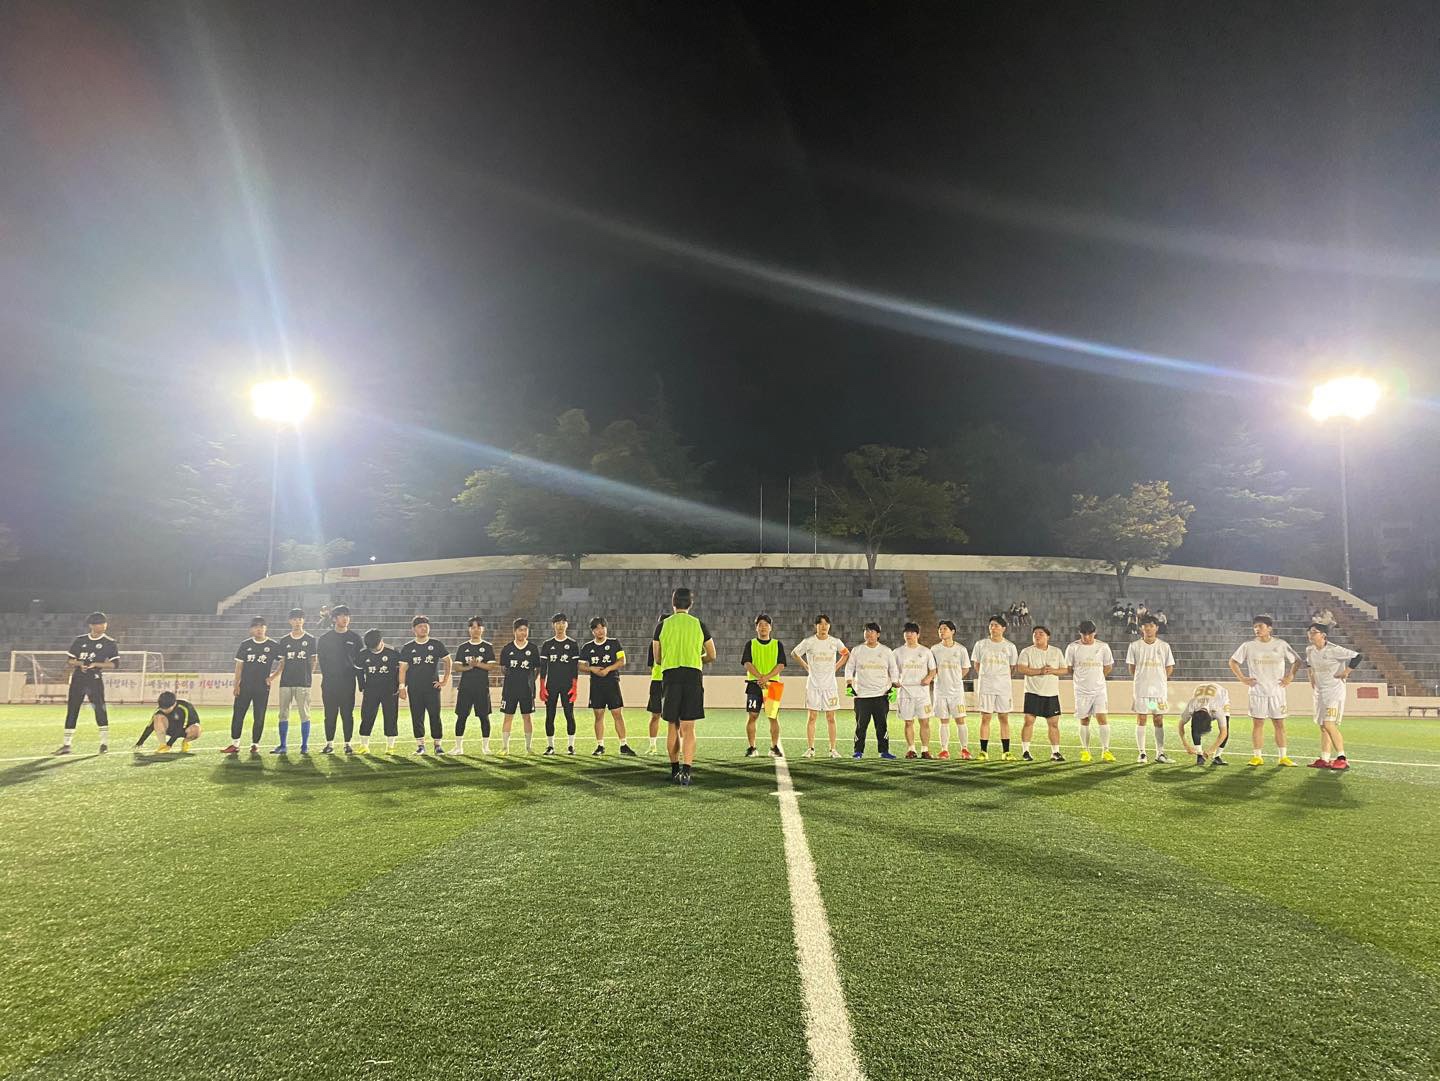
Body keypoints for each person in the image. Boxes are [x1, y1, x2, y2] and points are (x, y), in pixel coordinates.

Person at [653, 587, 716, 785]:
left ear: (673, 603)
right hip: (692, 675)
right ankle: (687, 772)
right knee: (689, 727)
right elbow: (712, 654)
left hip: (671, 675)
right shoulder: (699, 624)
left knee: (672, 725)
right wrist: (698, 658)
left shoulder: (662, 626)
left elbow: (657, 658)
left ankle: (674, 770)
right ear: (690, 603)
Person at [1228, 615, 1300, 768]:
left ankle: (1283, 757)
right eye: (1255, 627)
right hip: (1257, 691)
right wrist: (1242, 678)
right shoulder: (1248, 646)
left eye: (1260, 626)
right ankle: (1257, 757)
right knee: (1258, 723)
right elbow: (1233, 661)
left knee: (1279, 724)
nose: (1257, 629)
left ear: (1269, 628)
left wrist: (1290, 676)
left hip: (1277, 691)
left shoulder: (1281, 644)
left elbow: (1297, 660)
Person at [55, 611, 119, 755]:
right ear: (91, 625)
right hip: (78, 678)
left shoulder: (109, 642)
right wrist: (81, 664)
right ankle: (66, 744)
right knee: (73, 709)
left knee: (100, 709)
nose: (103, 626)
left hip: (94, 679)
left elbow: (114, 664)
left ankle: (104, 743)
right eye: (99, 623)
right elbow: (70, 660)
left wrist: (96, 664)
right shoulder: (80, 640)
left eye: (104, 623)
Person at [790, 615, 849, 758]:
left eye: (826, 624)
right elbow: (794, 653)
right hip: (813, 685)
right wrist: (806, 666)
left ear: (829, 626)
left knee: (831, 717)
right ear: (816, 626)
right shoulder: (809, 642)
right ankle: (810, 749)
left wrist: (835, 667)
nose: (823, 626)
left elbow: (846, 654)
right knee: (812, 717)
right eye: (821, 624)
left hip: (830, 686)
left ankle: (833, 749)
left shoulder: (835, 642)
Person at [223, 617, 282, 754]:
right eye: (256, 626)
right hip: (245, 686)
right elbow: (239, 666)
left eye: (262, 626)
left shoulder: (273, 645)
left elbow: (283, 662)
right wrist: (236, 684)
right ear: (251, 629)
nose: (259, 629)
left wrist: (272, 677)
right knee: (238, 714)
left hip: (262, 687)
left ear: (266, 628)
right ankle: (235, 744)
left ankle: (255, 744)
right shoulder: (245, 644)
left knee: (259, 715)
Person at [1306, 623, 1360, 770]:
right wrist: (1311, 679)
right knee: (1323, 726)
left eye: (1314, 632)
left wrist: (1346, 672)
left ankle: (1342, 758)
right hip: (1320, 692)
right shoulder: (1310, 650)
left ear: (1323, 635)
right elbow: (1309, 665)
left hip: (1334, 692)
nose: (1310, 634)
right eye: (1309, 632)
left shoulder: (1334, 650)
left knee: (1329, 724)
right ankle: (1324, 758)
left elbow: (1357, 656)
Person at [579, 617, 634, 756]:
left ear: (606, 629)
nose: (600, 631)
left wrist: (608, 669)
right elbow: (580, 665)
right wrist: (592, 669)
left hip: (612, 683)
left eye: (602, 627)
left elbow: (622, 661)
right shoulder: (587, 647)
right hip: (596, 685)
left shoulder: (614, 643)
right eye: (597, 628)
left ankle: (623, 745)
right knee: (598, 715)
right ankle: (600, 745)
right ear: (592, 631)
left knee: (617, 713)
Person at [844, 621, 899, 760]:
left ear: (878, 634)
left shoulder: (886, 651)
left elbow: (893, 669)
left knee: (882, 726)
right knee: (860, 726)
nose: (869, 634)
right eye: (866, 631)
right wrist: (849, 684)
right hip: (861, 696)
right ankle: (858, 751)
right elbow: (849, 668)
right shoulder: (857, 650)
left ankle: (884, 751)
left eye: (872, 631)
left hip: (881, 695)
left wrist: (893, 687)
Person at [398, 615, 451, 755]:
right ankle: (420, 745)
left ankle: (438, 745)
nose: (423, 628)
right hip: (414, 688)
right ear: (414, 629)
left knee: (435, 716)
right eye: (420, 626)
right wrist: (402, 687)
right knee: (417, 717)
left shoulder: (436, 644)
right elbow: (402, 669)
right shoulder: (408, 647)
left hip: (432, 688)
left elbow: (448, 660)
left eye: (426, 626)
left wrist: (445, 680)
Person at [1064, 620, 1115, 763]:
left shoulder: (1103, 647)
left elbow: (1108, 666)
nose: (1086, 637)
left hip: (1099, 690)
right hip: (1081, 691)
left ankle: (1106, 750)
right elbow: (1069, 668)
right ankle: (1085, 751)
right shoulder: (1072, 647)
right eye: (1083, 634)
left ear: (1095, 633)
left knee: (1102, 718)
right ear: (1079, 633)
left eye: (1089, 634)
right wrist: (1082, 680)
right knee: (1084, 720)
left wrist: (1098, 679)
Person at [1126, 615, 1175, 763]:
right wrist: (1143, 679)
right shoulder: (1135, 646)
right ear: (1141, 628)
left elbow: (1169, 667)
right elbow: (1132, 668)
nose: (1148, 628)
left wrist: (1159, 679)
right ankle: (1142, 753)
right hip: (1142, 690)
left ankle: (1160, 753)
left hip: (1158, 692)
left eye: (1151, 626)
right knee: (1141, 719)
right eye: (1146, 626)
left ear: (1157, 628)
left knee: (1158, 719)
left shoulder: (1164, 646)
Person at [316, 604, 364, 754]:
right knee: (330, 714)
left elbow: (360, 661)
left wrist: (361, 683)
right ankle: (329, 744)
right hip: (330, 683)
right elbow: (322, 661)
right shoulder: (325, 639)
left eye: (347, 615)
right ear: (334, 619)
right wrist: (328, 677)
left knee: (347, 714)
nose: (345, 618)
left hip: (348, 683)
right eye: (342, 615)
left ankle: (347, 744)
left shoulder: (355, 638)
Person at [1017, 625, 1067, 762]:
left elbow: (1064, 670)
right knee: (1029, 721)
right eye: (1035, 634)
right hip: (1032, 692)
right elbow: (1021, 668)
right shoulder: (1027, 651)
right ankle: (1025, 751)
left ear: (1047, 636)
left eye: (1040, 633)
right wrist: (1040, 671)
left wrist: (1053, 671)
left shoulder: (1056, 651)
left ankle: (1055, 752)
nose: (1037, 636)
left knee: (1054, 723)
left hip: (1051, 693)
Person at [972, 615, 1019, 761]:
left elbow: (1012, 667)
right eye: (991, 625)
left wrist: (1001, 677)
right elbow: (977, 664)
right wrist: (987, 676)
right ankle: (983, 751)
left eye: (996, 625)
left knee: (1003, 717)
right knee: (985, 717)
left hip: (1003, 687)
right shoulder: (980, 644)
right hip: (986, 686)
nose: (993, 628)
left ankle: (1006, 752)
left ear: (1003, 628)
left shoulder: (1010, 646)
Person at [741, 613, 787, 758]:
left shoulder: (777, 644)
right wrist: (760, 678)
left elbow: (781, 665)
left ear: (770, 628)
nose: (763, 627)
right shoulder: (750, 644)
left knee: (773, 717)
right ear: (756, 628)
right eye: (760, 625)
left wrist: (766, 678)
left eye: (766, 625)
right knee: (752, 716)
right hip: (754, 685)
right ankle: (752, 747)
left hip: (772, 685)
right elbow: (747, 663)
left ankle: (774, 747)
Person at [273, 608, 318, 754]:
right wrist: (274, 676)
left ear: (303, 620)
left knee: (304, 714)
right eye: (294, 619)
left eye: (300, 619)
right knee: (283, 714)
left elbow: (313, 660)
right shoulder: (284, 640)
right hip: (286, 682)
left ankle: (304, 746)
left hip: (303, 682)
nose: (297, 622)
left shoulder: (310, 639)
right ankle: (283, 745)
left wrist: (308, 676)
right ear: (290, 621)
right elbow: (282, 662)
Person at [454, 617, 499, 755]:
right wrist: (469, 667)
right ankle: (458, 747)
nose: (476, 630)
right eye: (473, 627)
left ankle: (486, 747)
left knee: (484, 717)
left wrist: (477, 664)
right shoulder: (463, 647)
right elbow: (457, 667)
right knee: (461, 716)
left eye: (478, 627)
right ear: (469, 629)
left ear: (482, 629)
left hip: (481, 688)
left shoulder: (487, 647)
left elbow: (491, 666)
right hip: (465, 688)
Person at [538, 613, 581, 755]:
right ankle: (550, 746)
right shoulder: (547, 644)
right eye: (557, 623)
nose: (560, 626)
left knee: (569, 714)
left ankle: (571, 746)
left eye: (563, 622)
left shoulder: (572, 644)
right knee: (550, 716)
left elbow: (574, 668)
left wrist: (575, 687)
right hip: (551, 685)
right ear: (553, 625)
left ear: (567, 625)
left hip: (567, 686)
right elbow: (543, 668)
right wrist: (542, 687)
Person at [893, 622, 937, 758]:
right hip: (905, 692)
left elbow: (933, 670)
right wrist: (895, 681)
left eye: (912, 632)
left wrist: (929, 678)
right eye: (906, 632)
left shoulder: (925, 651)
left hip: (922, 693)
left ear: (917, 635)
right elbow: (892, 670)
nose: (909, 635)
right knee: (908, 722)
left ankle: (925, 750)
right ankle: (911, 749)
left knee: (925, 721)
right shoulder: (897, 652)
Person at [355, 628, 401, 753]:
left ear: (381, 641)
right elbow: (359, 670)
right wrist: (362, 686)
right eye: (371, 648)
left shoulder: (393, 652)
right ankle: (364, 745)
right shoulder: (363, 653)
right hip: (371, 690)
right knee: (367, 716)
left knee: (391, 717)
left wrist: (399, 685)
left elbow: (401, 670)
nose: (374, 650)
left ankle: (390, 746)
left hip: (390, 690)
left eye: (375, 647)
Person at [930, 620, 971, 760]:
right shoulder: (934, 649)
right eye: (940, 629)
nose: (941, 631)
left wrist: (955, 679)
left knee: (960, 720)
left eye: (945, 629)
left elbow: (965, 668)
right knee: (944, 720)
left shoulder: (961, 649)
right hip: (940, 691)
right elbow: (932, 668)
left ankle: (964, 749)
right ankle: (944, 750)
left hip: (956, 692)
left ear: (952, 631)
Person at [499, 618, 540, 755]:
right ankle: (505, 747)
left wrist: (530, 680)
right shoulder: (507, 649)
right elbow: (503, 668)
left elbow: (537, 668)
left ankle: (529, 747)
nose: (523, 633)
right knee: (508, 717)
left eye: (525, 630)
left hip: (527, 690)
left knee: (527, 717)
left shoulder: (533, 648)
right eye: (520, 630)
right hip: (510, 689)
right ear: (514, 631)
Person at [1178, 683, 1231, 766]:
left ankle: (1217, 757)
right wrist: (1186, 745)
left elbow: (1224, 733)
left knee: (1226, 726)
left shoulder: (1217, 708)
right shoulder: (1192, 705)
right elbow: (1180, 725)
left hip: (1221, 695)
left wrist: (1210, 751)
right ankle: (1199, 755)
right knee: (1196, 726)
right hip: (1202, 693)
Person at [135, 691, 201, 753]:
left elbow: (180, 728)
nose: (164, 710)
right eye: (162, 708)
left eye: (166, 708)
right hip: (171, 729)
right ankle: (162, 745)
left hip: (185, 730)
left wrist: (169, 744)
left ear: (174, 704)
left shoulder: (185, 707)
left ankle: (185, 742)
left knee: (196, 728)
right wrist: (140, 742)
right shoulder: (160, 709)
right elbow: (150, 726)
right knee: (158, 717)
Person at [643, 639, 664, 755]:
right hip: (657, 681)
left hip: (673, 680)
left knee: (677, 717)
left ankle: (680, 747)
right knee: (655, 715)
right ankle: (652, 746)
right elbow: (651, 665)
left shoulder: (675, 640)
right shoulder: (653, 643)